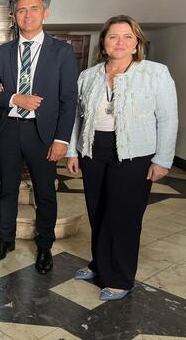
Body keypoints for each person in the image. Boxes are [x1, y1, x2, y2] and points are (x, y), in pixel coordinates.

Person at [66, 15, 178, 301]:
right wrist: (73, 150)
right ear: (104, 42)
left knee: (124, 216)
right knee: (98, 211)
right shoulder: (88, 75)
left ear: (137, 42)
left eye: (127, 37)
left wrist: (162, 159)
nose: (120, 42)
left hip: (135, 153)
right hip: (94, 149)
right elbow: (77, 117)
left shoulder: (155, 73)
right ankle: (99, 264)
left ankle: (120, 278)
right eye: (113, 36)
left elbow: (168, 118)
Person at [0, 0, 78, 273]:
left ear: (44, 13)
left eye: (33, 8)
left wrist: (62, 139)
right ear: (15, 16)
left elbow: (68, 99)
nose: (27, 14)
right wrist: (15, 98)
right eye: (21, 10)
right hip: (8, 130)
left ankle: (44, 246)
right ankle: (5, 240)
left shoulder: (61, 52)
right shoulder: (3, 52)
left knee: (45, 191)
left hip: (43, 133)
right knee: (8, 189)